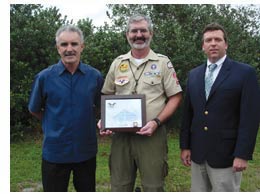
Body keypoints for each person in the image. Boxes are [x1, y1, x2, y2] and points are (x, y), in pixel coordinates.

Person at [98, 14, 182, 191]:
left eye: (143, 30)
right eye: (134, 31)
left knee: (153, 186)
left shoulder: (162, 62)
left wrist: (156, 122)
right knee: (120, 186)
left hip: (152, 135)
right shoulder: (117, 63)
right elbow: (107, 94)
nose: (138, 35)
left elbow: (175, 96)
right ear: (127, 34)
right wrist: (104, 120)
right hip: (121, 138)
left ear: (151, 33)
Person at [180, 23, 260, 192]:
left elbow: (250, 118)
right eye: (208, 40)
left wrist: (242, 154)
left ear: (226, 44)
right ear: (203, 46)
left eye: (218, 39)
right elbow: (188, 114)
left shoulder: (245, 73)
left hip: (227, 155)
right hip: (198, 153)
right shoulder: (194, 75)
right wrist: (185, 146)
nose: (213, 43)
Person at [28, 25, 104, 192]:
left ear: (82, 47)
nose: (69, 49)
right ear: (57, 48)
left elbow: (101, 107)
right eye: (64, 44)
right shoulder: (44, 77)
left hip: (86, 151)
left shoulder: (95, 77)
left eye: (74, 44)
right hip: (55, 152)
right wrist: (53, 120)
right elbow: (34, 109)